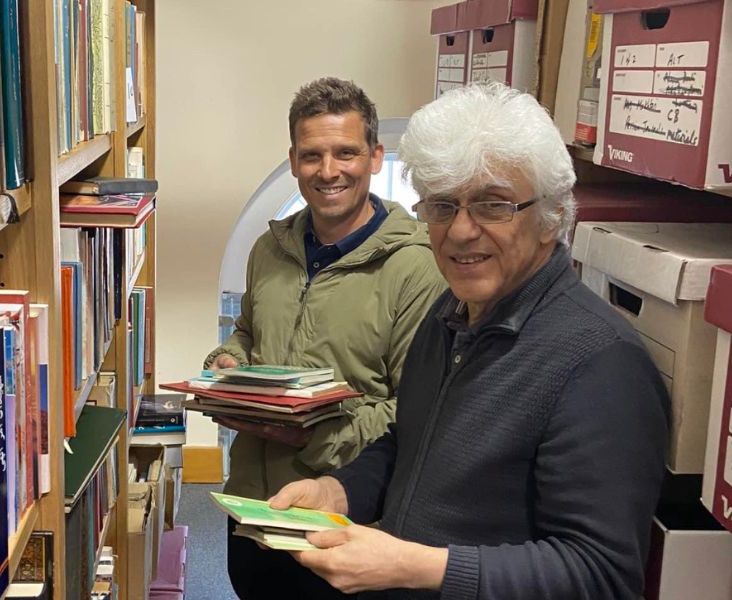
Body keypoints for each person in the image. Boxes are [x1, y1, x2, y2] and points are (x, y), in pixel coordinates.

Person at [270, 83, 670, 599]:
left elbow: (601, 575)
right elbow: (409, 443)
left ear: (549, 217)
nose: (460, 231)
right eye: (441, 206)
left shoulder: (600, 363)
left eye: (493, 205)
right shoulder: (451, 312)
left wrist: (419, 567)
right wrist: (341, 490)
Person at [204, 77, 448, 599]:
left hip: (346, 518)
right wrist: (228, 361)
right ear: (293, 161)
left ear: (376, 157)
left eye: (346, 153)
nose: (328, 171)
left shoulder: (418, 268)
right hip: (254, 503)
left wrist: (314, 432)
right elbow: (248, 333)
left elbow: (417, 414)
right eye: (312, 155)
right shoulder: (270, 249)